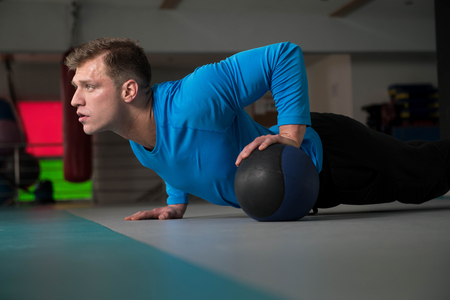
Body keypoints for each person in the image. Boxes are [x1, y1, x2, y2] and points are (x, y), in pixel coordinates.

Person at [66, 38, 450, 221]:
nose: (75, 101)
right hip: (298, 190)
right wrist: (175, 203)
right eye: (75, 89)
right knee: (420, 163)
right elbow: (173, 160)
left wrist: (290, 136)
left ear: (129, 90)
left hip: (328, 153)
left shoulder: (196, 96)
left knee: (424, 178)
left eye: (88, 87)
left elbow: (282, 55)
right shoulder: (137, 140)